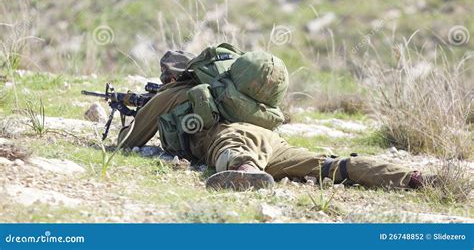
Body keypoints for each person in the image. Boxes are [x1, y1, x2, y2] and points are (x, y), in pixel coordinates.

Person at [118, 49, 430, 191]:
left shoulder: (179, 92)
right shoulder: (253, 105)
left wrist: (132, 117)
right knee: (324, 164)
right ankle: (412, 177)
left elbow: (128, 143)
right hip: (273, 142)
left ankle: (246, 172)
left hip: (235, 136)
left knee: (230, 149)